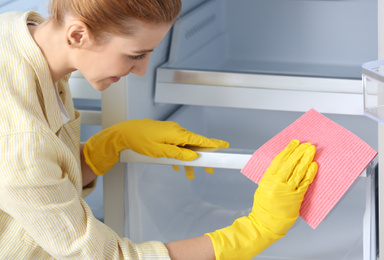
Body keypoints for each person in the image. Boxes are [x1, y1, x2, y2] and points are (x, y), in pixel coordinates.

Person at [0, 0, 318, 259]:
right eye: (135, 55)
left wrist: (106, 148)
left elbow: (30, 190)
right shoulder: (20, 137)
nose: (141, 71)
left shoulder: (17, 34)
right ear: (78, 35)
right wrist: (255, 231)